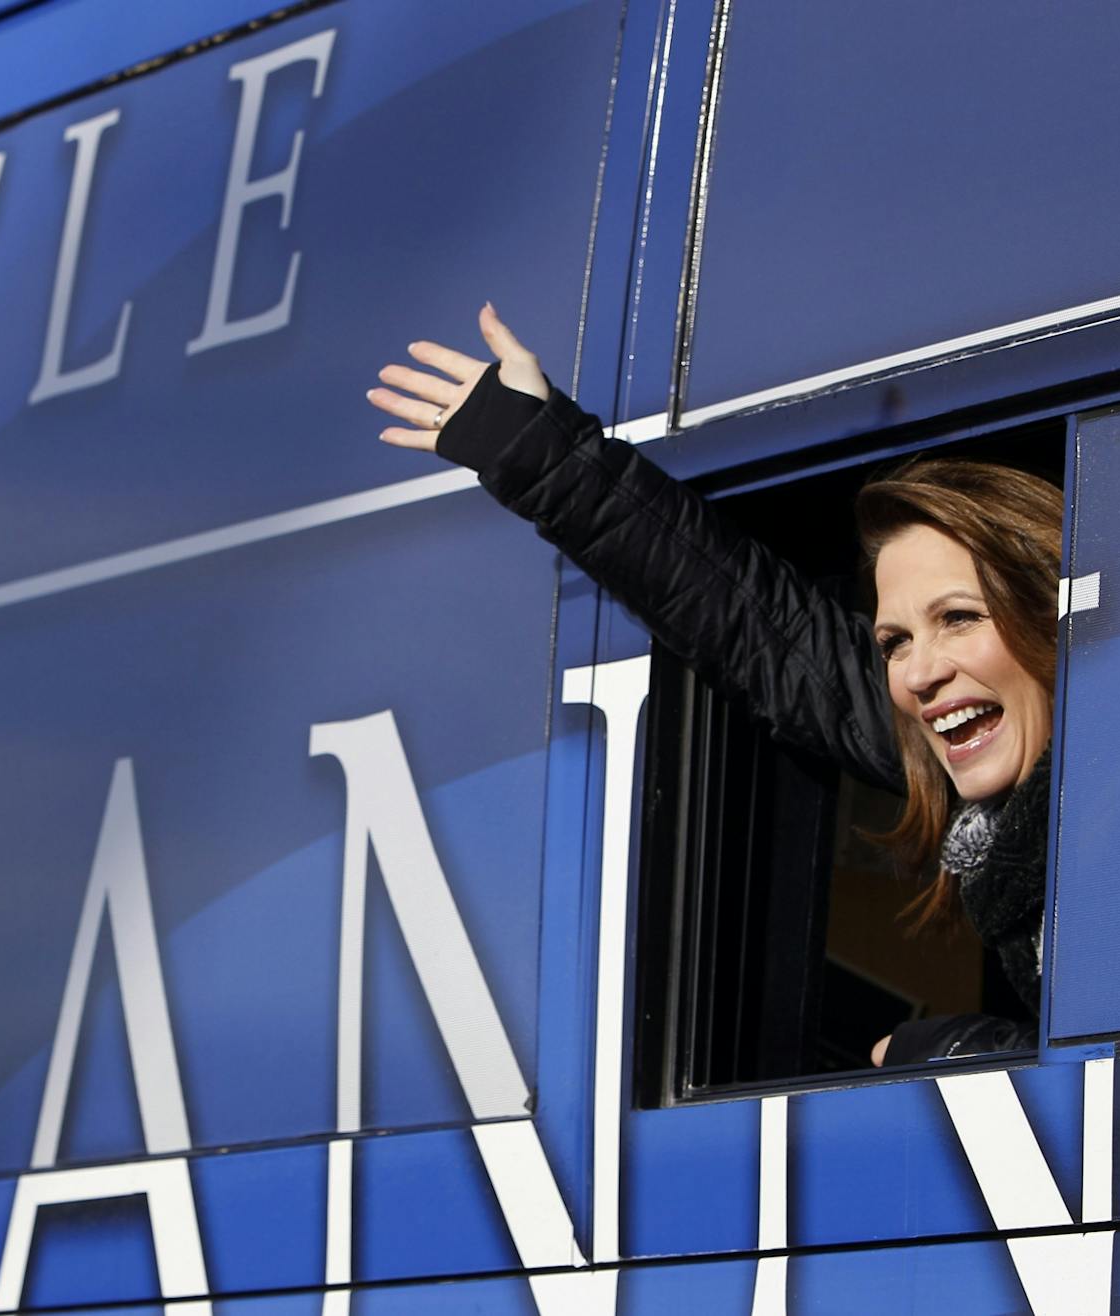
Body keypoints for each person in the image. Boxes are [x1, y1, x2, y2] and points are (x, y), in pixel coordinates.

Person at [366, 306, 1060, 1066]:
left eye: (960, 618)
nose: (920, 673)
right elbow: (770, 638)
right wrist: (546, 457)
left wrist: (973, 1054)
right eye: (894, 641)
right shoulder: (1006, 797)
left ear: (1061, 612)